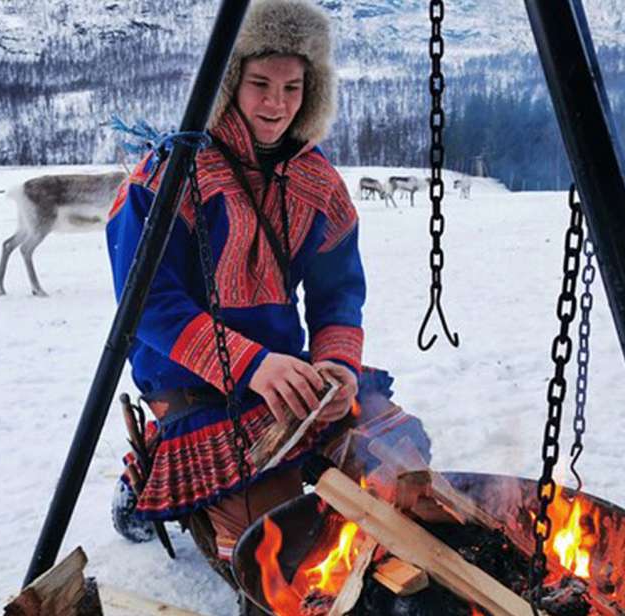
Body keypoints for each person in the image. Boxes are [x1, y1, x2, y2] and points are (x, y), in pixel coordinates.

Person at [105, 0, 366, 594]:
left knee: (386, 465)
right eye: (260, 84)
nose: (276, 104)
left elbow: (338, 292)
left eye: (293, 87)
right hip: (194, 381)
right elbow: (145, 305)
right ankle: (157, 474)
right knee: (272, 550)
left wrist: (337, 364)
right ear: (231, 81)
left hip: (285, 374)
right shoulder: (167, 175)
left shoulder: (318, 184)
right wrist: (252, 364)